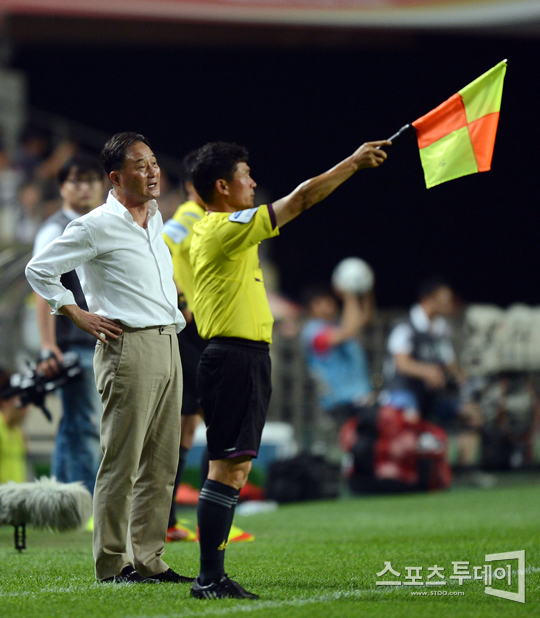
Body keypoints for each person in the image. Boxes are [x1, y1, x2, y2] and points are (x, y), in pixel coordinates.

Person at [189, 139, 389, 599]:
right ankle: (209, 578)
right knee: (227, 468)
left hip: (240, 358)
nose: (253, 182)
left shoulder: (218, 230)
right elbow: (301, 199)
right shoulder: (225, 226)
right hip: (234, 358)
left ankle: (211, 575)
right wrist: (352, 163)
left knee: (229, 467)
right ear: (222, 186)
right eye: (245, 174)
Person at [25, 132, 192, 584]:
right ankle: (112, 563)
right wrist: (74, 311)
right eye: (141, 165)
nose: (154, 171)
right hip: (127, 346)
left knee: (160, 464)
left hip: (168, 343)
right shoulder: (95, 224)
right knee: (122, 460)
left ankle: (150, 559)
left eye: (154, 161)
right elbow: (38, 269)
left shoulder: (155, 217)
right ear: (116, 178)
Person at [33, 154, 105, 496]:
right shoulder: (54, 226)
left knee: (74, 424)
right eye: (76, 180)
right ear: (62, 187)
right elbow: (39, 286)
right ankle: (85, 503)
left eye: (91, 180)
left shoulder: (96, 222)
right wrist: (49, 346)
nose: (85, 187)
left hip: (88, 337)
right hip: (72, 340)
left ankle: (63, 503)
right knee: (84, 424)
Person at [383, 277, 490, 483]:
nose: (448, 303)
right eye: (444, 298)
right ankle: (409, 473)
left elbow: (450, 364)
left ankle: (466, 471)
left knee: (471, 413)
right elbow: (401, 364)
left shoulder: (440, 328)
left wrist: (464, 381)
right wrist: (427, 372)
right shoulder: (405, 326)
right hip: (403, 392)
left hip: (431, 394)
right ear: (428, 299)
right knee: (409, 419)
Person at [162, 150, 206, 542]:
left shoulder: (210, 220)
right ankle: (165, 517)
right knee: (179, 427)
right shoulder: (185, 220)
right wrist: (178, 296)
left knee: (187, 430)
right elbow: (159, 247)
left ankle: (171, 518)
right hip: (186, 332)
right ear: (193, 186)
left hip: (202, 332)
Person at [301, 284, 375, 421]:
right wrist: (350, 297)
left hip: (358, 398)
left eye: (330, 299)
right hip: (340, 402)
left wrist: (366, 292)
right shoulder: (312, 331)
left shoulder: (335, 325)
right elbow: (349, 331)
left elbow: (363, 319)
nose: (329, 303)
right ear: (311, 306)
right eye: (321, 301)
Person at [0, 368, 29, 484]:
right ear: (5, 402)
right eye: (21, 401)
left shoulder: (19, 433)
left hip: (15, 498)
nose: (26, 409)